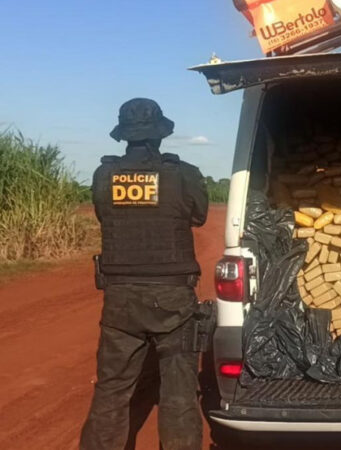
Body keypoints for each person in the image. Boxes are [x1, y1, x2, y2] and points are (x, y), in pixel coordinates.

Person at [80, 98, 208, 450]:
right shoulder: (183, 173)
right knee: (179, 393)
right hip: (173, 300)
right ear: (159, 136)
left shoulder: (104, 174)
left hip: (120, 299)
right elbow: (199, 217)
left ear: (124, 135)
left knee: (112, 391)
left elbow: (106, 216)